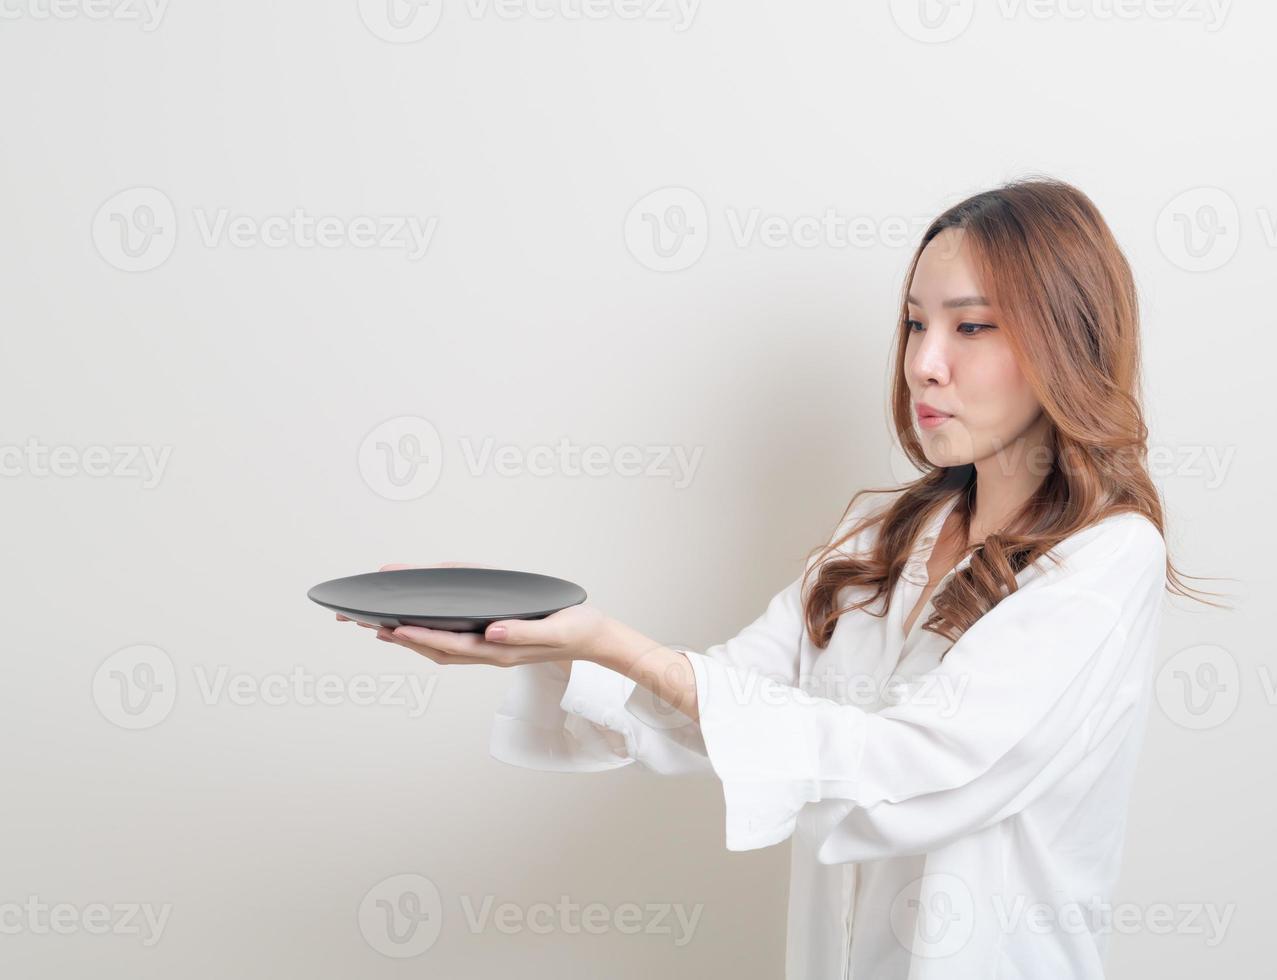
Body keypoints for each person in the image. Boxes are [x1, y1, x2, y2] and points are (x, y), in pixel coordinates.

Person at [340, 177, 1221, 979]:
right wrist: (537, 635)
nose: (924, 361)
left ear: (1066, 341)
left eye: (972, 325)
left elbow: (918, 765)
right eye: (916, 322)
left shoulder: (1107, 559)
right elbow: (720, 710)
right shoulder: (878, 537)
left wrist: (611, 643)